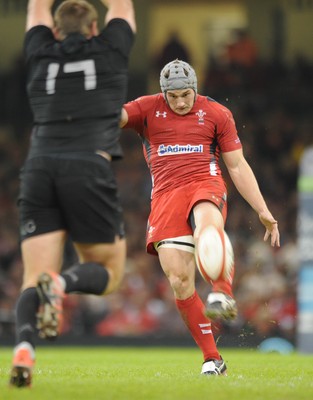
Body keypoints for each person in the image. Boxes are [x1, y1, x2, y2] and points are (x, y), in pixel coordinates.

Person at [120, 59, 280, 376]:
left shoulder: (217, 113)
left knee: (208, 228)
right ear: (163, 92)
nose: (180, 102)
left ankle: (223, 292)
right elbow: (115, 117)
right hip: (165, 197)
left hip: (205, 183)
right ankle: (212, 358)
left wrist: (263, 210)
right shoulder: (146, 108)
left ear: (196, 89)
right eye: (173, 96)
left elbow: (236, 166)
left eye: (186, 95)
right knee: (179, 281)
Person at [9, 0, 136, 388]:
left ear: (56, 30)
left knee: (34, 276)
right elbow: (122, 5)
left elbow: (34, 8)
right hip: (87, 166)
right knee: (110, 272)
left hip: (40, 166)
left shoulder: (40, 51)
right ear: (95, 27)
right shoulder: (110, 48)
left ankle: (25, 350)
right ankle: (62, 285)